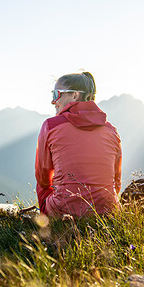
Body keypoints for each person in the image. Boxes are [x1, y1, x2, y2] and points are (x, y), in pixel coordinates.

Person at [34, 71, 122, 217]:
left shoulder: (50, 125)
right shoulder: (112, 130)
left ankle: (53, 222)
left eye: (56, 94)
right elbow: (116, 182)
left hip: (63, 210)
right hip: (108, 211)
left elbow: (43, 178)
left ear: (74, 95)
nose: (53, 101)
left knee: (42, 186)